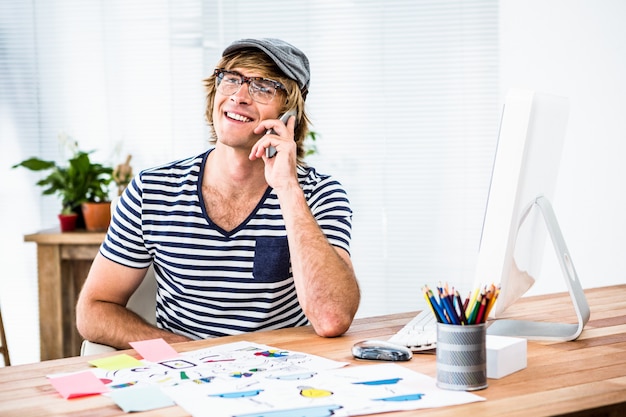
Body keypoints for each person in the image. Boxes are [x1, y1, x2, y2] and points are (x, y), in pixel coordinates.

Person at [76, 38, 361, 349]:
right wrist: (188, 351)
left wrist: (287, 188)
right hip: (183, 373)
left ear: (289, 113)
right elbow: (93, 310)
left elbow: (332, 317)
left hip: (282, 378)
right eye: (231, 80)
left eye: (263, 87)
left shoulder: (320, 193)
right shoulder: (152, 190)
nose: (239, 96)